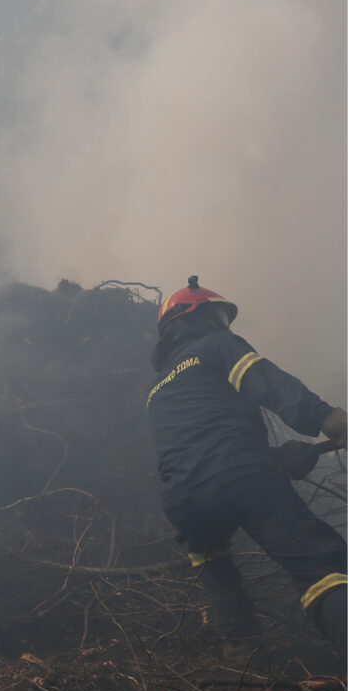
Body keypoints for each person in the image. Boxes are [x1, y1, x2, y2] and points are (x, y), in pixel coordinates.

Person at [145, 276, 346, 662]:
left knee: (215, 566)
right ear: (200, 317)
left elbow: (199, 454)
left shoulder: (156, 391)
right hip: (241, 476)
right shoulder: (218, 346)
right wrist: (329, 420)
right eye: (220, 317)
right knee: (321, 568)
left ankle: (246, 666)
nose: (225, 325)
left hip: (184, 502)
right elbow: (269, 384)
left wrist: (277, 459)